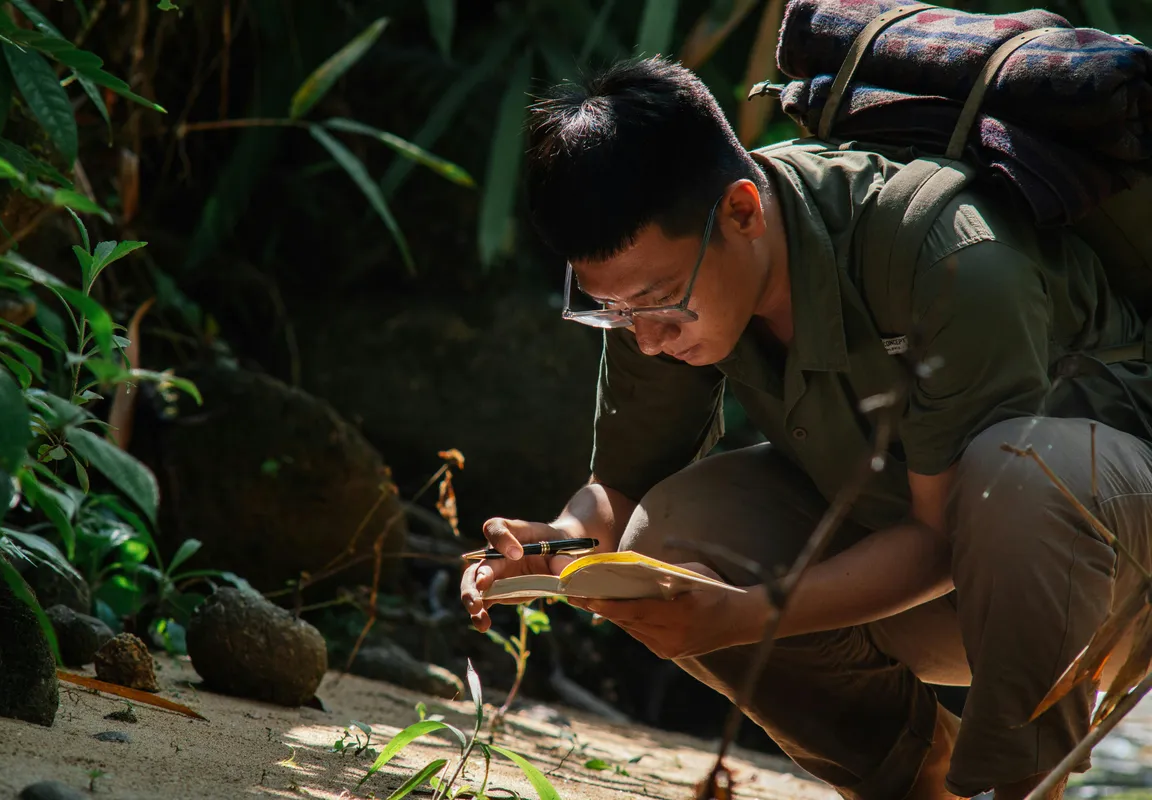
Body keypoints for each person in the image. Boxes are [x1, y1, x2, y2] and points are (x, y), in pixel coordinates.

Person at [458, 56, 1152, 800]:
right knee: (668, 543)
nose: (646, 338)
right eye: (612, 312)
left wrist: (745, 615)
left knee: (1017, 474)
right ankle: (919, 782)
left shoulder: (949, 252)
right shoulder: (664, 287)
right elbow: (621, 491)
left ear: (744, 212)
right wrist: (553, 545)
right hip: (941, 568)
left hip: (1102, 576)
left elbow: (944, 533)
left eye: (657, 303)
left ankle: (1023, 784)